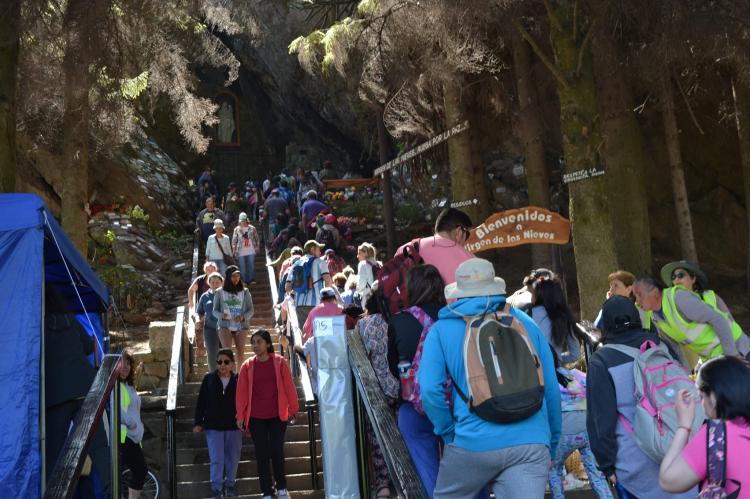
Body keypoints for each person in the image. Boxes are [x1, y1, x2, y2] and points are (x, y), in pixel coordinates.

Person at [418, 258, 561, 498]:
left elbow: (430, 390)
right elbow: (552, 390)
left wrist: (449, 434)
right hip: (531, 444)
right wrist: (551, 443)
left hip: (472, 442)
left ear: (459, 293)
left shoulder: (441, 331)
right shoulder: (525, 323)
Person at [586, 295, 694, 499]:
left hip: (635, 465)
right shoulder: (661, 346)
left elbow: (600, 420)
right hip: (679, 453)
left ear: (606, 323)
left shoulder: (602, 360)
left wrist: (606, 465)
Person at [387, 264, 447, 497]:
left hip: (414, 407)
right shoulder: (453, 317)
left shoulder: (399, 321)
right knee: (466, 468)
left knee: (427, 472)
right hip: (454, 404)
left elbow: (394, 367)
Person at [659, 356, 750, 497]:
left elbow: (668, 481)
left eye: (701, 397)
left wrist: (684, 426)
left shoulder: (718, 436)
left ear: (713, 397)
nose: (701, 404)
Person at [236, 330, 299, 499]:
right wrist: (240, 416)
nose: (255, 346)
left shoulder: (279, 362)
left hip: (278, 415)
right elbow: (241, 393)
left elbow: (289, 387)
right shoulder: (247, 366)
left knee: (276, 450)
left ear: (268, 344)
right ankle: (267, 491)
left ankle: (282, 488)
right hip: (256, 418)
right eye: (253, 343)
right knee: (262, 454)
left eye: (259, 342)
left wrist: (294, 408)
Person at [633, 277, 749, 362]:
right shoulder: (655, 317)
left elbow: (717, 318)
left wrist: (732, 354)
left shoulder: (679, 298)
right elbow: (675, 348)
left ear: (655, 292)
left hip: (736, 347)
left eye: (639, 295)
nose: (637, 301)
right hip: (716, 357)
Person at [548, 349, 612, 499]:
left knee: (554, 470)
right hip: (588, 432)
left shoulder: (549, 380)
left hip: (564, 434)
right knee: (596, 473)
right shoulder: (581, 376)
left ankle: (558, 496)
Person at [194, 348, 243, 499]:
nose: (222, 365)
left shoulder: (239, 380)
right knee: (217, 459)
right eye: (219, 361)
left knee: (233, 458)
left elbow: (244, 403)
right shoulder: (208, 379)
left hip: (234, 426)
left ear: (233, 364)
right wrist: (198, 422)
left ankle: (230, 485)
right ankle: (216, 489)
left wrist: (246, 422)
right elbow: (201, 402)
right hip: (213, 427)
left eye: (226, 362)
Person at [402, 208, 474, 286]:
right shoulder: (468, 259)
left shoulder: (406, 249)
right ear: (458, 232)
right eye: (467, 235)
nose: (466, 242)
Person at [530, 276, 581, 364]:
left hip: (532, 371)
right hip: (554, 372)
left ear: (538, 295)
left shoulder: (527, 315)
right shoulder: (564, 316)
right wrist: (557, 358)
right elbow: (575, 354)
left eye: (532, 293)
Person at [660, 260, 735, 320]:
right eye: (673, 277)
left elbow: (730, 322)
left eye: (681, 275)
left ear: (693, 279)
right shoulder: (667, 302)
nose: (676, 279)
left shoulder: (712, 297)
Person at [285, 240, 335, 328]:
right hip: (316, 304)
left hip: (299, 305)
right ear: (312, 249)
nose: (320, 252)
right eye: (318, 249)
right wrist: (326, 299)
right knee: (320, 334)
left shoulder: (295, 264)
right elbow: (328, 281)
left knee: (305, 334)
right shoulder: (320, 262)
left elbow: (287, 287)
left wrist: (298, 291)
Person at [119, 351, 148, 499]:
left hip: (133, 437)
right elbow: (118, 412)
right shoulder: (116, 386)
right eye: (122, 363)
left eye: (128, 363)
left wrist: (139, 427)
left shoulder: (128, 386)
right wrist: (133, 425)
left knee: (134, 472)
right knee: (140, 470)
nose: (126, 366)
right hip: (124, 438)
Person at [213, 266, 253, 367]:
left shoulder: (245, 291)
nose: (236, 278)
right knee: (227, 353)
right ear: (227, 277)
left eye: (238, 275)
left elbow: (251, 310)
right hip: (224, 325)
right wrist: (222, 315)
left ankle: (240, 377)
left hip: (241, 325)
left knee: (240, 352)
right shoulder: (219, 292)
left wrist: (243, 317)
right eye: (233, 276)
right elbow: (214, 311)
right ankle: (229, 376)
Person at [196, 272, 224, 373]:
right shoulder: (204, 296)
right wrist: (199, 320)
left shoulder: (227, 294)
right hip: (210, 328)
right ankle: (213, 375)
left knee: (225, 352)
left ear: (222, 283)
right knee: (212, 353)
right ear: (209, 283)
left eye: (217, 282)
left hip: (225, 328)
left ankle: (227, 375)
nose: (215, 284)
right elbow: (199, 312)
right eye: (213, 282)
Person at [232, 212, 260, 284]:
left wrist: (257, 246)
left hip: (251, 250)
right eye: (241, 221)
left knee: (251, 265)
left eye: (244, 220)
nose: (243, 222)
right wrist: (234, 250)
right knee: (242, 267)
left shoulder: (252, 228)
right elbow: (234, 241)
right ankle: (243, 280)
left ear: (246, 220)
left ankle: (251, 280)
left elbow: (257, 238)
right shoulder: (237, 229)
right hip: (240, 251)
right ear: (239, 221)